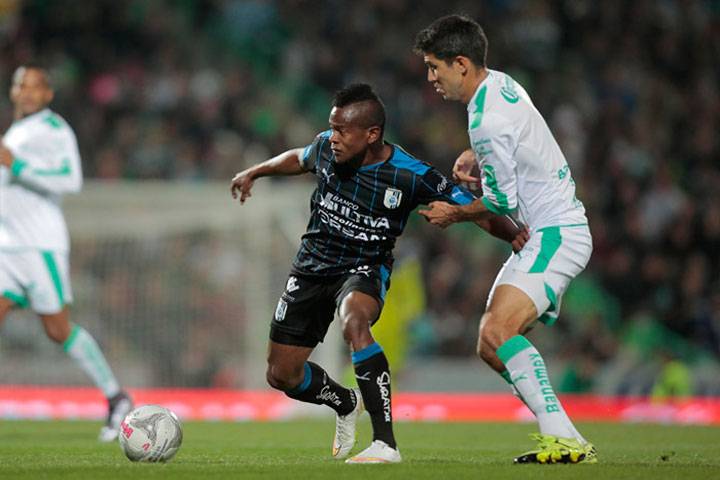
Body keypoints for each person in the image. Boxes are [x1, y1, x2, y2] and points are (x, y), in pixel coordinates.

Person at [231, 83, 525, 464]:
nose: (333, 138)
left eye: (342, 131)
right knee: (281, 375)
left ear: (372, 134)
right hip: (311, 267)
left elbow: (470, 207)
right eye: (332, 128)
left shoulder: (410, 173)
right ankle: (345, 401)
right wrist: (255, 172)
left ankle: (385, 443)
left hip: (364, 267)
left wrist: (513, 234)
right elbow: (299, 158)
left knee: (354, 321)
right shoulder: (325, 148)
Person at [414, 15, 597, 464]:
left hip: (556, 233)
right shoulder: (501, 84)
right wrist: (475, 153)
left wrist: (454, 213)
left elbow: (500, 202)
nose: (431, 77)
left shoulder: (486, 119)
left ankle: (565, 439)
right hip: (550, 233)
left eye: (435, 67)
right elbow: (518, 133)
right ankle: (564, 435)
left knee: (496, 332)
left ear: (461, 64)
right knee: (490, 344)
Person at [0, 65, 132, 442]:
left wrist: (16, 164)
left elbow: (70, 180)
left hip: (39, 244)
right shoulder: (16, 131)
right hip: (7, 245)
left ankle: (116, 397)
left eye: (34, 86)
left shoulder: (54, 129)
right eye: (20, 85)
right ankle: (116, 398)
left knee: (58, 328)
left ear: (48, 94)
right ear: (13, 91)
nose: (26, 91)